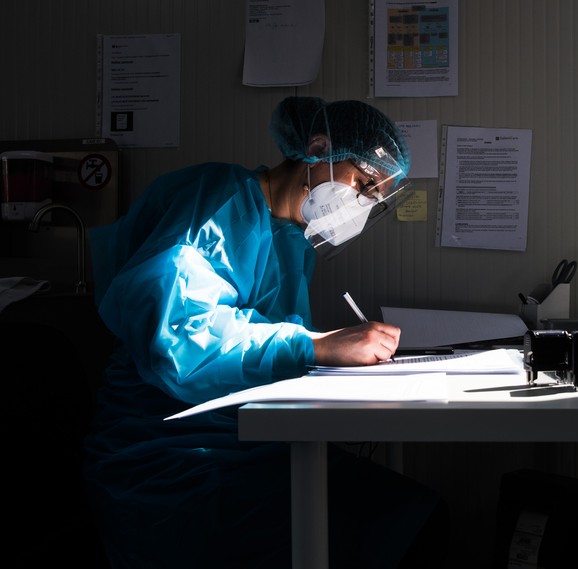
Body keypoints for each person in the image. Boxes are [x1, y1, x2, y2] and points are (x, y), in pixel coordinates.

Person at [83, 96, 446, 568]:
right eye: (362, 184)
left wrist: (328, 356)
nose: (361, 204)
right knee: (405, 523)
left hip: (246, 439)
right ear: (318, 147)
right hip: (170, 450)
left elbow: (259, 344)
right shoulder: (219, 197)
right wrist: (315, 345)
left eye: (374, 198)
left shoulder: (292, 239)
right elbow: (176, 339)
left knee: (412, 514)